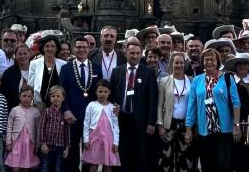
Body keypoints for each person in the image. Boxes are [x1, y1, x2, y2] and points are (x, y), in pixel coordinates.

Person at [185, 48, 241, 172]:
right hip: (205, 131)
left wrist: (236, 125)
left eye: (212, 59)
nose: (209, 62)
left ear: (217, 62)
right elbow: (191, 106)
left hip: (224, 130)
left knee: (223, 164)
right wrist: (189, 129)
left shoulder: (227, 78)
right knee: (206, 164)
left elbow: (236, 102)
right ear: (202, 62)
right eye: (206, 59)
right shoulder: (197, 80)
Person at [110, 42, 158, 171]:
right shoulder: (117, 71)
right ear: (125, 53)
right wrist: (113, 106)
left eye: (138, 53)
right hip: (121, 121)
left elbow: (153, 99)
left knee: (141, 157)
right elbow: (112, 94)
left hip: (141, 122)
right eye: (132, 53)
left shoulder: (148, 72)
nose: (135, 56)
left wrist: (151, 122)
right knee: (122, 156)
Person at [59, 36, 100, 172]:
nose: (81, 49)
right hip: (72, 116)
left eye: (84, 47)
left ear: (89, 49)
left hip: (91, 117)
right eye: (78, 47)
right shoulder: (66, 68)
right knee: (72, 150)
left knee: (89, 149)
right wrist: (65, 110)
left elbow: (100, 92)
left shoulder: (97, 68)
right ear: (73, 48)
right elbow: (61, 92)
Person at [157, 52, 195, 171]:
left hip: (186, 124)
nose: (179, 65)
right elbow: (159, 105)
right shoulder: (164, 81)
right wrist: (160, 125)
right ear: (171, 64)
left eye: (181, 63)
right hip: (169, 124)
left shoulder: (192, 81)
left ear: (185, 64)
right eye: (176, 62)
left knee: (185, 157)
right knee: (166, 157)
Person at [83, 79, 121, 171]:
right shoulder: (91, 105)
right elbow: (86, 123)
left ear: (109, 92)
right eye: (100, 91)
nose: (103, 94)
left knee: (107, 165)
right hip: (94, 139)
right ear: (96, 92)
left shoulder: (113, 107)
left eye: (105, 92)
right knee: (93, 164)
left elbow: (116, 126)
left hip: (108, 140)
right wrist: (86, 139)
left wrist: (116, 142)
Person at [6, 87, 41, 172]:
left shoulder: (36, 111)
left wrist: (37, 143)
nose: (26, 98)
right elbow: (9, 127)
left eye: (29, 96)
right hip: (16, 142)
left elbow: (38, 129)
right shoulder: (14, 110)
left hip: (29, 143)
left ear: (32, 97)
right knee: (15, 166)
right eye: (24, 95)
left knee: (26, 166)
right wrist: (8, 142)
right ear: (19, 96)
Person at [29, 34, 67, 106]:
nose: (50, 49)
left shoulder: (63, 64)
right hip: (39, 105)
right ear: (43, 48)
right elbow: (30, 85)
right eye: (47, 46)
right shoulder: (34, 63)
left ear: (57, 48)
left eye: (53, 46)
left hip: (58, 105)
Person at [40, 86, 71, 172]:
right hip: (47, 146)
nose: (55, 98)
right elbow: (42, 128)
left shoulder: (64, 114)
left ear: (63, 98)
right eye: (53, 96)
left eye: (58, 96)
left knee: (58, 168)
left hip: (60, 147)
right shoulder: (46, 111)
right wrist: (43, 144)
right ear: (50, 98)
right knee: (45, 167)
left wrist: (67, 147)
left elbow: (67, 131)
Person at [2, 44, 33, 112]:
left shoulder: (36, 70)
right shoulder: (9, 73)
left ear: (30, 54)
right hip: (14, 111)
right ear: (15, 56)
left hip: (34, 110)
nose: (22, 56)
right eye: (20, 54)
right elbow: (4, 95)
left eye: (25, 53)